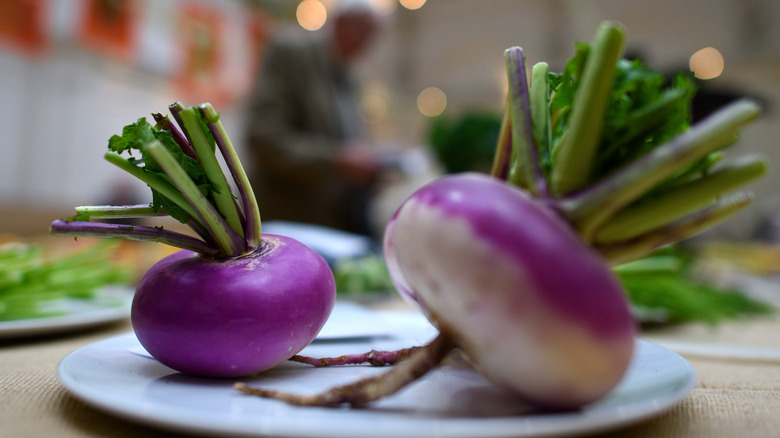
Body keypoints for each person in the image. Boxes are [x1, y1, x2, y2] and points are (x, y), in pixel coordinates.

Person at [245, 1, 385, 236]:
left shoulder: (348, 77)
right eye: (362, 31)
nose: (366, 44)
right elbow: (263, 137)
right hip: (285, 223)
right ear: (339, 23)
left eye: (372, 36)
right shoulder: (291, 53)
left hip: (329, 223)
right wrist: (337, 159)